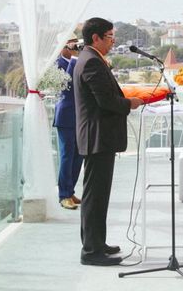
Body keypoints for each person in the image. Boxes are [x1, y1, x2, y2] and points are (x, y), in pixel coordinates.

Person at [74, 18, 144, 266]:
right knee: (95, 196)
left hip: (99, 137)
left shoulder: (89, 58)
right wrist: (130, 103)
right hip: (97, 137)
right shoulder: (91, 61)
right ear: (96, 38)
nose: (113, 41)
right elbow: (105, 101)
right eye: (110, 37)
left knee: (99, 195)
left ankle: (97, 242)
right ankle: (91, 251)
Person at [54, 38, 83, 210]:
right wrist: (73, 58)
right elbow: (67, 85)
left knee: (78, 155)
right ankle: (63, 194)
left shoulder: (76, 61)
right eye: (71, 44)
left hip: (79, 116)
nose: (74, 47)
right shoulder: (58, 64)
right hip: (65, 116)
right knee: (67, 155)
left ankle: (70, 190)